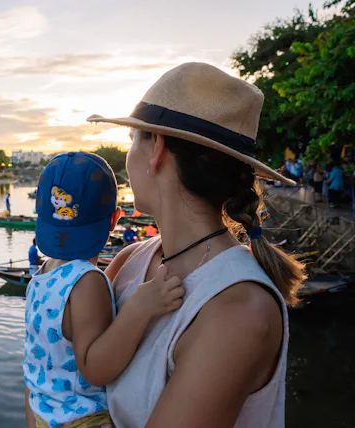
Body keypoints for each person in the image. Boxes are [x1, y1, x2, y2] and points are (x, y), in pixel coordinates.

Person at [88, 62, 305, 427]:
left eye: (132, 139)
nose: (128, 157)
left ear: (156, 148)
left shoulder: (238, 310)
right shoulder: (130, 260)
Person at [24, 152, 184, 428]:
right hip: (82, 420)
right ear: (114, 220)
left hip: (43, 413)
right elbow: (95, 370)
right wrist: (140, 307)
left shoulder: (41, 276)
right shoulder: (87, 282)